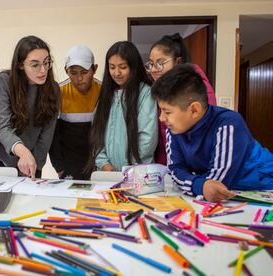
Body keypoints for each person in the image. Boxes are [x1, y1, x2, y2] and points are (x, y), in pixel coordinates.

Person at [151, 64, 273, 202]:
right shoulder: (175, 128)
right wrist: (201, 185)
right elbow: (176, 169)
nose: (161, 118)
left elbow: (217, 184)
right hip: (229, 195)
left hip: (262, 189)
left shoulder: (229, 123)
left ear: (194, 110)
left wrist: (199, 184)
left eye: (167, 112)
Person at [0, 36, 59, 179]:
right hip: (2, 159)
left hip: (32, 163)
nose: (43, 70)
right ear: (21, 65)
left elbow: (46, 134)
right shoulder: (5, 81)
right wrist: (23, 153)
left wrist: (34, 164)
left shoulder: (54, 89)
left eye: (47, 63)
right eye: (35, 65)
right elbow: (3, 128)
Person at [86, 41, 158, 173]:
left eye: (123, 67)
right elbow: (97, 132)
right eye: (112, 67)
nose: (116, 73)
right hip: (108, 172)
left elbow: (147, 138)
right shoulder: (106, 94)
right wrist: (103, 163)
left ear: (133, 67)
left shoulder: (146, 93)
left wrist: (128, 167)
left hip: (137, 172)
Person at [146, 33, 217, 165]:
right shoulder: (163, 87)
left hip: (194, 163)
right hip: (171, 163)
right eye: (151, 64)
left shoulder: (195, 85)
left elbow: (204, 131)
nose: (154, 69)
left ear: (177, 61)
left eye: (160, 63)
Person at [49, 45, 101, 180]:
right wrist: (59, 167)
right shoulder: (59, 93)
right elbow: (52, 135)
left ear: (94, 69)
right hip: (69, 163)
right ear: (66, 71)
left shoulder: (104, 91)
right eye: (73, 73)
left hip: (99, 161)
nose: (79, 78)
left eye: (84, 72)